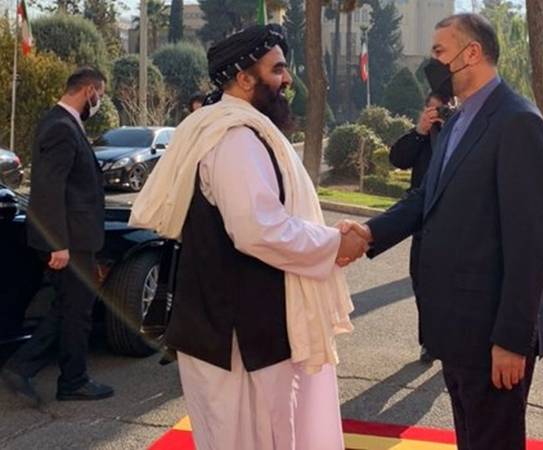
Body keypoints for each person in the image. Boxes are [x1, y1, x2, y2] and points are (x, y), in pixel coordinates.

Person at [128, 24, 367, 450]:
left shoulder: (229, 127)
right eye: (277, 69)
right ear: (243, 77)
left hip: (239, 329)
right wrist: (334, 245)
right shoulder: (234, 138)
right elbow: (258, 229)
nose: (287, 79)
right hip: (239, 339)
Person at [341, 13, 543, 450]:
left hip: (493, 334)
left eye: (440, 52)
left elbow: (529, 246)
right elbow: (426, 196)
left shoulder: (518, 121)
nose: (433, 63)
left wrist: (512, 340)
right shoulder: (456, 121)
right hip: (456, 328)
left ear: (471, 53)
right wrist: (368, 232)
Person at [1, 67, 114, 404]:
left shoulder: (61, 123)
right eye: (100, 95)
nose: (99, 101)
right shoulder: (61, 127)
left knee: (70, 307)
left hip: (74, 237)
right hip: (69, 240)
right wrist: (57, 244)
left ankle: (34, 370)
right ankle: (68, 379)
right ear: (89, 91)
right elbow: (50, 189)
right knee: (76, 310)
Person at [389, 92, 452, 364]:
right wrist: (420, 131)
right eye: (432, 109)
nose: (437, 114)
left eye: (443, 109)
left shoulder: (462, 135)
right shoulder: (421, 138)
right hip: (424, 224)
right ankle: (430, 341)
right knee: (422, 283)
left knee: (454, 286)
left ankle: (454, 341)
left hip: (455, 224)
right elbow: (398, 159)